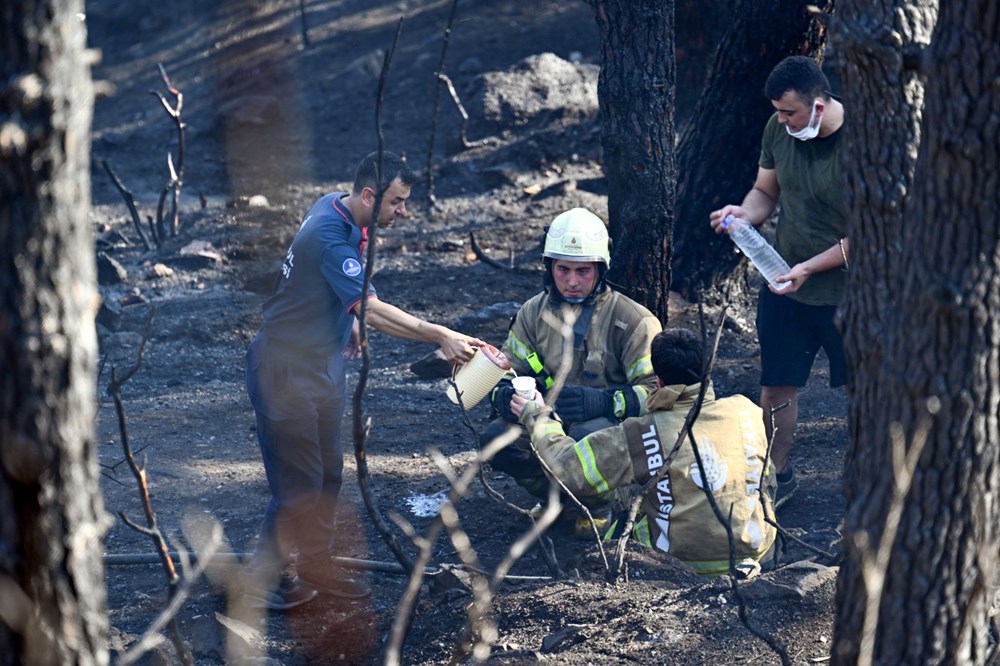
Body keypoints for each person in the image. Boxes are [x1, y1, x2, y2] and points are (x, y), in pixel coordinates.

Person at [243, 151, 484, 610]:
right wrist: (438, 333)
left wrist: (343, 315)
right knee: (299, 482)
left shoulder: (337, 204)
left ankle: (316, 564)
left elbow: (326, 284)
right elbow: (371, 308)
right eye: (396, 202)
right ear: (369, 195)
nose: (403, 212)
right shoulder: (331, 234)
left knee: (328, 475)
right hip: (284, 368)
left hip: (323, 362)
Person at [510, 328, 777, 576]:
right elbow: (768, 481)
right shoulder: (747, 411)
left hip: (677, 564)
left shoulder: (642, 433)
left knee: (627, 490)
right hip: (757, 554)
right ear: (708, 368)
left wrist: (537, 415)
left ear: (658, 379)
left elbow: (567, 469)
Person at [709, 55, 849, 509]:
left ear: (820, 105)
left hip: (854, 293)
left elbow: (874, 233)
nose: (782, 120)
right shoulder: (779, 129)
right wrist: (742, 215)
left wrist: (809, 267)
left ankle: (873, 480)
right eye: (778, 111)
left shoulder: (866, 143)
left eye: (790, 112)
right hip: (787, 282)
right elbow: (766, 192)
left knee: (868, 389)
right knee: (775, 389)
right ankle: (776, 477)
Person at [481, 207, 662, 515]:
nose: (572, 281)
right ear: (549, 267)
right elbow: (506, 370)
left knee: (585, 440)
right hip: (548, 420)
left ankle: (603, 507)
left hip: (611, 433)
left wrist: (606, 403)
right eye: (563, 269)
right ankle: (556, 499)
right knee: (496, 439)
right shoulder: (532, 313)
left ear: (601, 269)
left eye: (583, 271)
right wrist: (505, 394)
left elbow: (660, 395)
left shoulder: (634, 321)